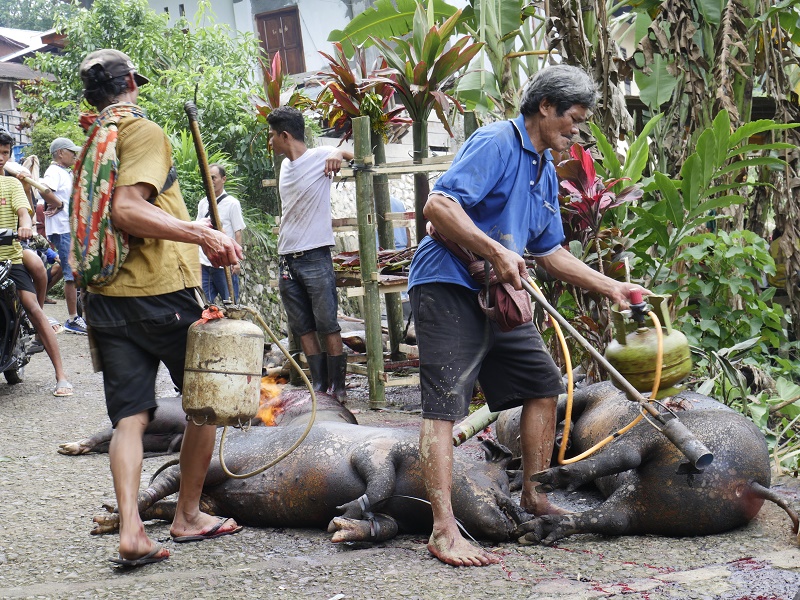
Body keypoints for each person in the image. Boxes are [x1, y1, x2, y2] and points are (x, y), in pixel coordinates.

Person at [406, 64, 649, 567]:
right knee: (444, 406)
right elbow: (439, 206)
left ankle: (535, 497)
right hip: (448, 284)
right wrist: (496, 251)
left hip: (500, 296)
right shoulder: (497, 142)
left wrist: (614, 287)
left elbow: (550, 252)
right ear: (545, 107)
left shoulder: (544, 169)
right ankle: (443, 530)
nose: (576, 131)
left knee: (543, 385)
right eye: (573, 119)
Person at [76, 48, 243, 567]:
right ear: (131, 81)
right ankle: (188, 515)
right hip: (160, 293)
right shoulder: (141, 131)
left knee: (130, 418)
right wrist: (202, 233)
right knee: (206, 402)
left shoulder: (94, 140)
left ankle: (132, 531)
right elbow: (127, 209)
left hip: (105, 299)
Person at [267, 106, 353, 401]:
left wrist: (338, 152)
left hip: (316, 255)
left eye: (272, 135)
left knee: (327, 323)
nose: (270, 141)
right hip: (286, 258)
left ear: (285, 135)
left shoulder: (320, 156)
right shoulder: (284, 166)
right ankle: (319, 386)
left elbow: (356, 155)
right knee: (302, 326)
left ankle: (338, 388)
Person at [0, 131, 73, 395]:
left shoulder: (12, 185)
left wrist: (24, 226)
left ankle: (61, 375)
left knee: (32, 307)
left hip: (9, 258)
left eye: (5, 153)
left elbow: (23, 212)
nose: (1, 158)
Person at [39, 137, 87, 334]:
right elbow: (43, 189)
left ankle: (80, 316)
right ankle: (73, 319)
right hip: (62, 228)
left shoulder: (64, 171)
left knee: (74, 271)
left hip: (68, 227)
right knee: (71, 273)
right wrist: (58, 204)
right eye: (71, 151)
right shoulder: (54, 171)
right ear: (60, 153)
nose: (74, 155)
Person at [194, 163, 245, 303]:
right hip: (204, 264)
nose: (210, 181)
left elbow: (238, 232)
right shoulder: (203, 203)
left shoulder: (232, 203)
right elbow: (199, 230)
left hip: (225, 265)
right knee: (203, 305)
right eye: (207, 178)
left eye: (213, 178)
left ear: (223, 179)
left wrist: (236, 262)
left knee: (231, 305)